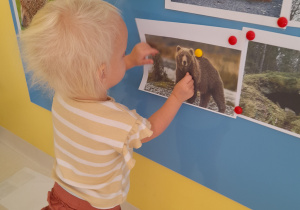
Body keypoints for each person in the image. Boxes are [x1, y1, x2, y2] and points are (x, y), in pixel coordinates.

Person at [20, 0, 194, 209]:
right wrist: (176, 97)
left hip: (62, 196)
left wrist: (128, 60)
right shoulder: (115, 120)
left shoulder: (62, 96)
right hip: (95, 206)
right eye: (121, 55)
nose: (124, 57)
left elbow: (99, 77)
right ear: (102, 72)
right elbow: (150, 131)